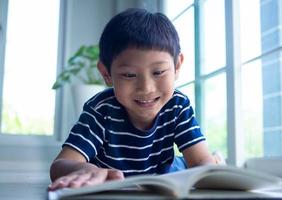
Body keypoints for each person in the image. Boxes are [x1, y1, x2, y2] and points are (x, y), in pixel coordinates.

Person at [48, 8, 218, 191]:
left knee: (185, 167)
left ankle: (217, 158)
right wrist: (85, 169)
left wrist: (213, 171)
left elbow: (201, 162)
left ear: (177, 66)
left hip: (164, 174)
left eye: (159, 72)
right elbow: (60, 164)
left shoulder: (177, 105)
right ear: (106, 73)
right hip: (120, 186)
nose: (146, 88)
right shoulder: (101, 110)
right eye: (129, 75)